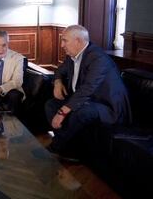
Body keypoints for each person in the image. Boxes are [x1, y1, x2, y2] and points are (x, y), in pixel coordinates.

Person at [45, 25, 131, 159]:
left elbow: (88, 88)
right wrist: (57, 82)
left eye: (65, 40)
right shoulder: (72, 55)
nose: (62, 45)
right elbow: (59, 70)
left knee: (81, 112)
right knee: (51, 105)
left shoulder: (98, 58)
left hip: (107, 106)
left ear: (78, 41)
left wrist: (62, 112)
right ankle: (68, 147)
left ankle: (58, 145)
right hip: (86, 100)